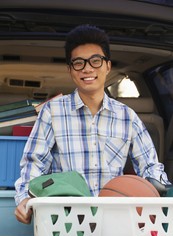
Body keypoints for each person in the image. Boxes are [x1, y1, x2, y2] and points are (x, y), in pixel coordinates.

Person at [14, 24, 171, 224]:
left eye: (95, 61)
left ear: (107, 66)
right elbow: (34, 163)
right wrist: (25, 198)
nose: (87, 68)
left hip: (115, 218)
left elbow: (149, 165)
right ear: (70, 70)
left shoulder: (127, 116)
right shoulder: (52, 112)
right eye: (78, 63)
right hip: (65, 220)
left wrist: (158, 187)